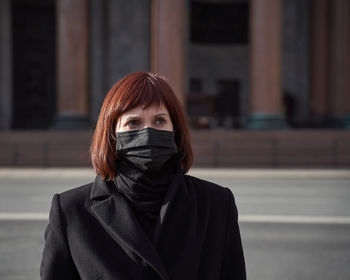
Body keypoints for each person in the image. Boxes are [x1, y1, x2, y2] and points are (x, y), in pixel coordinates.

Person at [40, 72, 246, 280]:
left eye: (159, 120)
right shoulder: (71, 211)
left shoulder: (217, 204)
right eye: (133, 122)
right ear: (112, 133)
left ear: (175, 129)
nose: (147, 131)